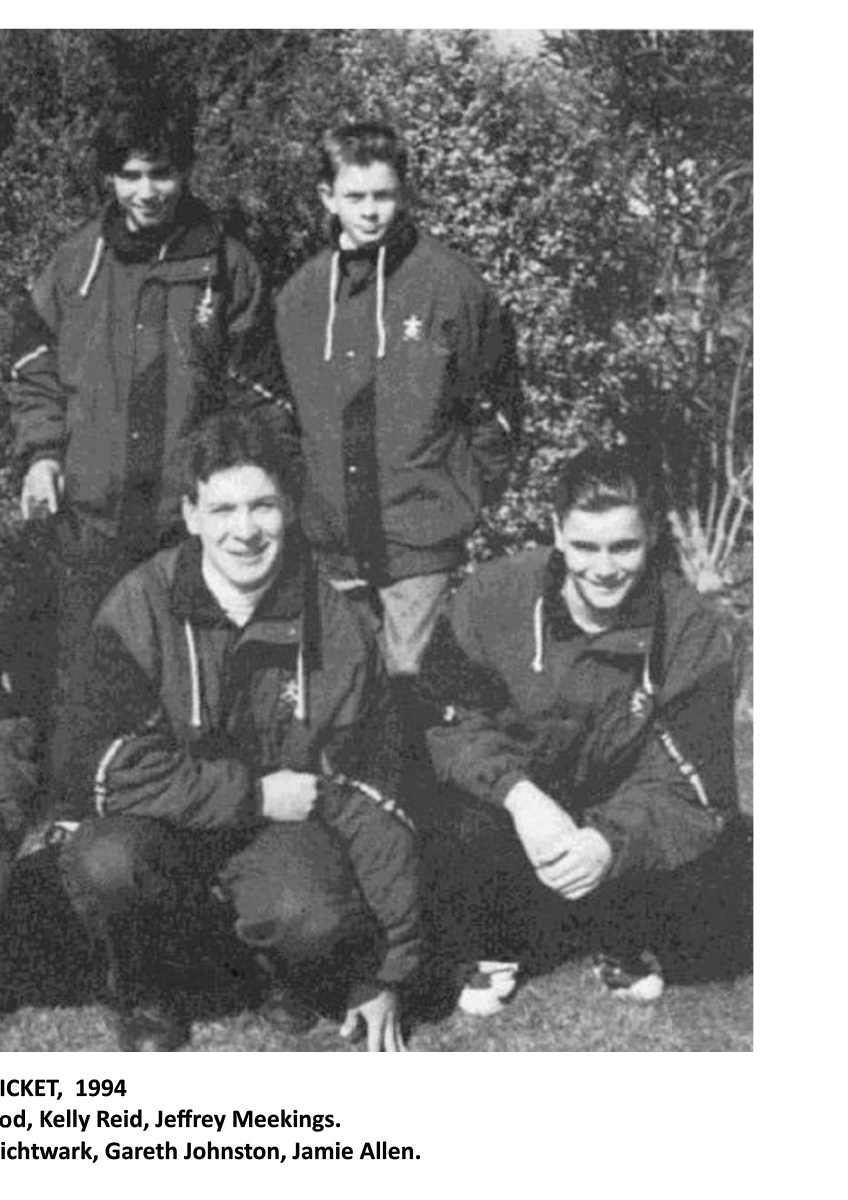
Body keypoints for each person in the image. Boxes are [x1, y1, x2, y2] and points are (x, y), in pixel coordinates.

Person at [55, 408, 418, 1052]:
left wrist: (383, 970)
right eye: (223, 510)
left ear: (289, 509)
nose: (245, 531)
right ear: (192, 515)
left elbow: (375, 791)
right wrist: (251, 794)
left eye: (263, 506)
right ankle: (151, 989)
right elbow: (99, 768)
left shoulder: (337, 625)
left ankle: (277, 971)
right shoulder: (138, 606)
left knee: (313, 916)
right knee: (107, 861)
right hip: (164, 827)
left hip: (278, 836)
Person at [418, 445, 752, 1014]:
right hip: (515, 806)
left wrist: (608, 841)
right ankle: (491, 941)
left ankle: (618, 930)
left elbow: (699, 785)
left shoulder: (690, 627)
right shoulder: (491, 594)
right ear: (557, 532)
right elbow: (444, 721)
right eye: (584, 547)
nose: (604, 568)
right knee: (452, 815)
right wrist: (518, 796)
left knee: (725, 878)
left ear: (651, 535)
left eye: (624, 547)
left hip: (611, 805)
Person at [7, 89, 283, 766]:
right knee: (82, 672)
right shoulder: (78, 261)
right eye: (130, 175)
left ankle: (188, 803)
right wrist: (42, 454)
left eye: (161, 173)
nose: (146, 191)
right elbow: (33, 365)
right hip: (92, 518)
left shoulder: (227, 267)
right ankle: (75, 805)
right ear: (109, 177)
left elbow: (256, 394)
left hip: (184, 524)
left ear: (184, 171)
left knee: (190, 677)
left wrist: (234, 493)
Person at [274, 120, 521, 679]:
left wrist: (467, 490)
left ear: (404, 194)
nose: (369, 212)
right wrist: (304, 498)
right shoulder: (300, 297)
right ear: (327, 197)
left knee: (409, 685)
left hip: (420, 534)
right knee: (341, 686)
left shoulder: (452, 286)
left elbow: (497, 404)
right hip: (330, 539)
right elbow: (282, 416)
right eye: (355, 196)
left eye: (383, 196)